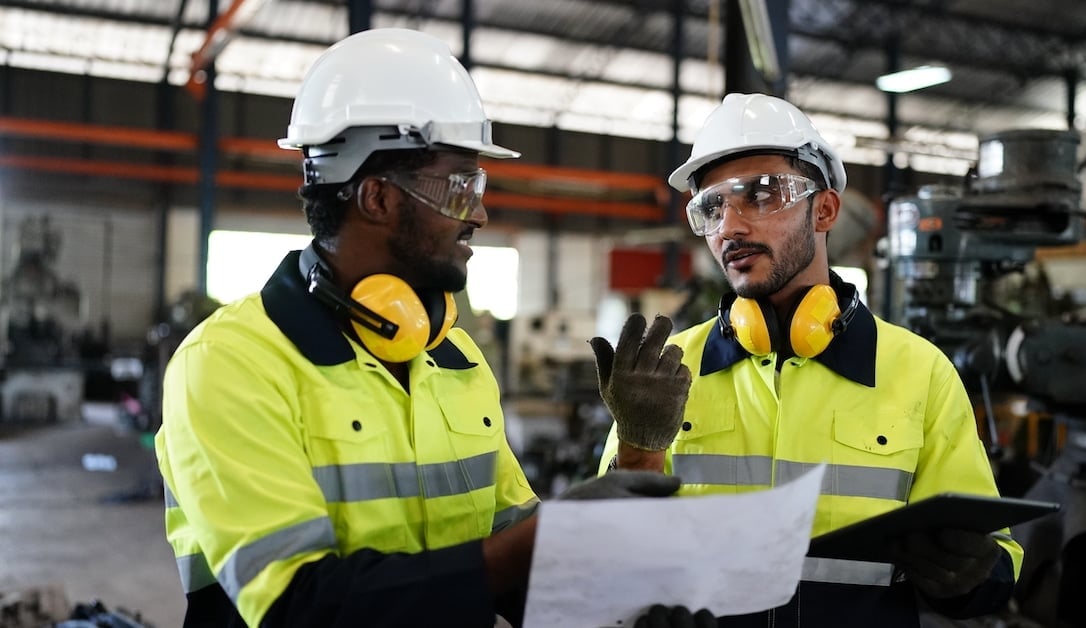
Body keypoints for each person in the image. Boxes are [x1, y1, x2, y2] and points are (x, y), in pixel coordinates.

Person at [155, 28, 716, 628]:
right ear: (376, 197)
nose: (478, 212)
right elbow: (300, 607)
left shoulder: (454, 356)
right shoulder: (232, 364)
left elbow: (516, 561)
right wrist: (545, 538)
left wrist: (620, 611)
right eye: (460, 185)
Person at [593, 93, 1023, 627]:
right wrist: (635, 452)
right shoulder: (669, 368)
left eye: (762, 194)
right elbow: (604, 561)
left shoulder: (919, 371)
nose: (731, 226)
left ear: (824, 209)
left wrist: (971, 574)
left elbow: (994, 563)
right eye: (712, 206)